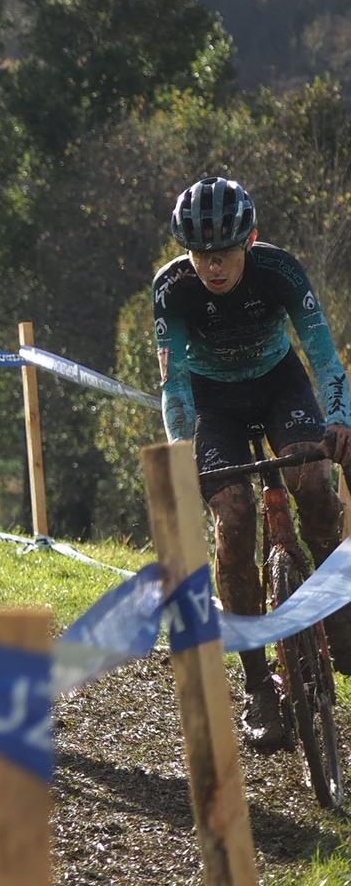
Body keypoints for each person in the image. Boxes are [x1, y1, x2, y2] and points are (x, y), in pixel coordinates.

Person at [153, 176, 351, 749]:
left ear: (251, 240)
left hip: (278, 386)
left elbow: (323, 354)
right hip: (214, 405)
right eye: (201, 255)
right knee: (233, 520)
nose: (213, 267)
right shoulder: (173, 289)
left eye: (225, 254)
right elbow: (175, 383)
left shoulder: (280, 271)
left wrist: (339, 419)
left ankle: (337, 611)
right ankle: (259, 685)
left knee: (312, 481)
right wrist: (182, 450)